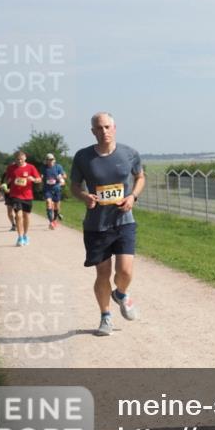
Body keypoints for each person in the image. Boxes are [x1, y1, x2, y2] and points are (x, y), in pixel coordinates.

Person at [69, 112, 145, 337]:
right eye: (99, 128)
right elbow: (74, 186)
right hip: (96, 225)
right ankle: (105, 317)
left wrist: (132, 197)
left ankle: (120, 293)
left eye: (107, 127)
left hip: (123, 221)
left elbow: (140, 177)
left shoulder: (129, 153)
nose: (104, 131)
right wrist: (84, 196)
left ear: (114, 127)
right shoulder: (83, 157)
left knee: (125, 271)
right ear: (93, 131)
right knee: (103, 273)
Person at [3, 151, 42, 246]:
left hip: (28, 196)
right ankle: (20, 237)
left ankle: (25, 235)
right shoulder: (11, 168)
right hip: (15, 195)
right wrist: (5, 184)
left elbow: (39, 179)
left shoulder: (31, 167)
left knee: (26, 216)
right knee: (18, 215)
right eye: (17, 159)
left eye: (21, 159)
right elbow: (8, 179)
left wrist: (33, 179)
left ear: (25, 158)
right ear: (15, 159)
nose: (19, 161)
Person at [42, 153, 67, 229]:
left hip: (57, 188)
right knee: (48, 203)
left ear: (54, 160)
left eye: (51, 159)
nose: (50, 161)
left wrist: (61, 177)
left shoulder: (58, 167)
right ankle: (51, 222)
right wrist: (40, 178)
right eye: (48, 160)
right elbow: (41, 176)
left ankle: (55, 220)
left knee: (57, 207)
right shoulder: (43, 167)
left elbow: (65, 176)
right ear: (46, 161)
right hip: (47, 189)